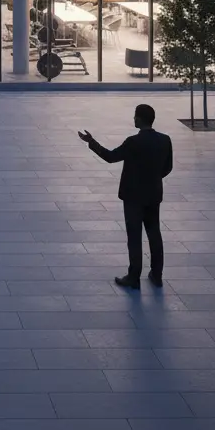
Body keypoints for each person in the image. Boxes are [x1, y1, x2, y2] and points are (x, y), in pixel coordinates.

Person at [78, 103, 173, 290]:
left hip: (133, 197)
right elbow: (167, 167)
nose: (133, 119)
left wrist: (91, 142)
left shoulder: (133, 142)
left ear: (138, 118)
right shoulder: (165, 140)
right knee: (154, 234)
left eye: (134, 116)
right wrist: (153, 179)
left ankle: (133, 277)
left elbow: (110, 157)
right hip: (153, 195)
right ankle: (157, 274)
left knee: (134, 237)